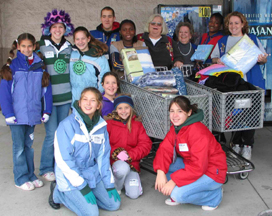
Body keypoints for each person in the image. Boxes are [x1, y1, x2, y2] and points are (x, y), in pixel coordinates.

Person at [49, 87, 120, 215]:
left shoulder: (101, 126)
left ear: (98, 105)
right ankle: (58, 193)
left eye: (92, 100)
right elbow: (64, 160)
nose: (88, 103)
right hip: (70, 176)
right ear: (79, 102)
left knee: (113, 204)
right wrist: (82, 187)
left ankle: (84, 194)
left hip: (90, 173)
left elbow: (103, 157)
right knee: (92, 214)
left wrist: (109, 184)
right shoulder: (66, 125)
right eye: (85, 99)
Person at [211, 11, 268, 160]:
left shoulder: (252, 39)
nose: (233, 26)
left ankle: (247, 146)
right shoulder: (222, 40)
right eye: (230, 23)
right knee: (236, 113)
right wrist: (217, 61)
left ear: (243, 24)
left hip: (251, 82)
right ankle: (236, 143)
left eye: (236, 23)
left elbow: (263, 59)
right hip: (233, 85)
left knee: (251, 113)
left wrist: (262, 59)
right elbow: (214, 58)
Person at [153, 96, 227, 210]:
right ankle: (187, 187)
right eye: (172, 111)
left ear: (189, 113)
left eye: (180, 111)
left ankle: (213, 196)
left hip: (212, 172)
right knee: (165, 170)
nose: (175, 115)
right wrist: (160, 171)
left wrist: (174, 181)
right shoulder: (177, 127)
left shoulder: (197, 131)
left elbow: (198, 166)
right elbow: (164, 149)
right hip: (193, 166)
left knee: (178, 195)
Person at [0, 33, 52, 191]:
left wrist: (47, 109)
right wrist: (8, 114)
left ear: (34, 46)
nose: (27, 49)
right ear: (17, 47)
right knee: (19, 147)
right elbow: (4, 93)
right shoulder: (12, 68)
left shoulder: (40, 66)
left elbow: (46, 90)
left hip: (32, 114)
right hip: (16, 116)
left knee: (29, 146)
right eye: (23, 46)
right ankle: (20, 177)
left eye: (30, 46)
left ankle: (30, 174)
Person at [37, 9, 74, 182]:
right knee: (51, 134)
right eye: (55, 27)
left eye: (61, 27)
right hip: (49, 99)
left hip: (65, 97)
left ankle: (58, 165)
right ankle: (45, 167)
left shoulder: (69, 48)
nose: (58, 30)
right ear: (48, 28)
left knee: (61, 134)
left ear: (66, 29)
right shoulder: (41, 46)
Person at [105, 94, 152, 199]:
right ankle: (116, 186)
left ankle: (125, 181)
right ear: (116, 110)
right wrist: (116, 152)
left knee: (134, 194)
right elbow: (103, 144)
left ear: (131, 109)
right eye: (120, 108)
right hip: (115, 163)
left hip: (132, 164)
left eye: (126, 107)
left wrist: (130, 155)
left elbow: (146, 144)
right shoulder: (109, 124)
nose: (123, 111)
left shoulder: (137, 125)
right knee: (122, 168)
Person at [70, 26, 110, 104]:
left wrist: (97, 97)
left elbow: (105, 79)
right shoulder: (71, 55)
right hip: (75, 100)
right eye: (77, 39)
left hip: (92, 101)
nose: (80, 42)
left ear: (88, 39)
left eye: (83, 38)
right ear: (74, 41)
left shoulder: (99, 57)